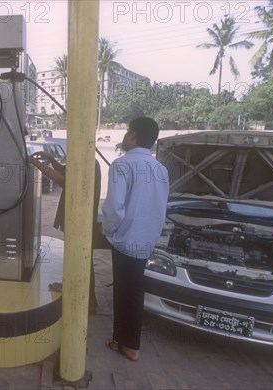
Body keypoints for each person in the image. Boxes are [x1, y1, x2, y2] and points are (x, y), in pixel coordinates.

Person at [100, 117, 169, 362]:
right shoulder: (160, 169)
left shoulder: (122, 165)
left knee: (124, 292)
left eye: (128, 131)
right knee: (134, 291)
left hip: (126, 240)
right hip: (146, 239)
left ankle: (128, 344)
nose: (126, 135)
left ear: (133, 136)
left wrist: (107, 230)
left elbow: (114, 208)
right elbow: (160, 207)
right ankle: (128, 342)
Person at [28, 150, 103, 313]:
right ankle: (82, 292)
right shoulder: (88, 160)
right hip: (80, 216)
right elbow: (64, 171)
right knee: (77, 255)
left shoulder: (85, 162)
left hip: (79, 217)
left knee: (80, 257)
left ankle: (86, 299)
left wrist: (35, 163)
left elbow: (62, 179)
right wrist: (51, 159)